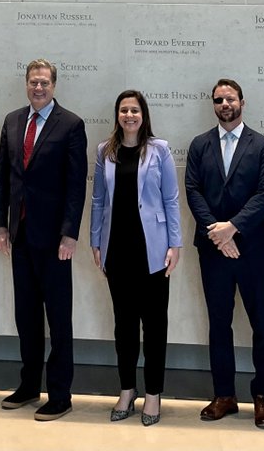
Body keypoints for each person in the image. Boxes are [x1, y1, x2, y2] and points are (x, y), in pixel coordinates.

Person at [0, 58, 87, 422]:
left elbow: (76, 186)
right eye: (33, 82)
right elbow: (3, 177)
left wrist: (69, 233)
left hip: (54, 240)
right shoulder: (14, 121)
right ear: (26, 83)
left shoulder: (71, 124)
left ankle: (60, 393)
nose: (38, 88)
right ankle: (29, 384)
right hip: (20, 234)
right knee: (26, 315)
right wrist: (1, 225)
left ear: (54, 85)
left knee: (59, 318)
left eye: (45, 82)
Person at [185, 77, 264, 429]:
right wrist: (218, 233)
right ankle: (224, 394)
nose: (225, 105)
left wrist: (233, 227)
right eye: (219, 100)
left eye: (231, 99)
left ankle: (262, 396)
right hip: (213, 250)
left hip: (253, 248)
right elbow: (193, 191)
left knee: (263, 324)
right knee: (219, 324)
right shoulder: (199, 145)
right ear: (213, 105)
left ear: (242, 102)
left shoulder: (262, 146)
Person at [90, 90, 181, 426]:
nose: (129, 115)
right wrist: (95, 241)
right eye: (124, 110)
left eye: (135, 110)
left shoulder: (160, 150)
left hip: (153, 250)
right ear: (117, 115)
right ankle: (127, 389)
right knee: (123, 325)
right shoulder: (105, 151)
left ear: (144, 115)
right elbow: (98, 200)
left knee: (155, 325)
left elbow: (171, 200)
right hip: (117, 249)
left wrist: (176, 244)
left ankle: (153, 394)